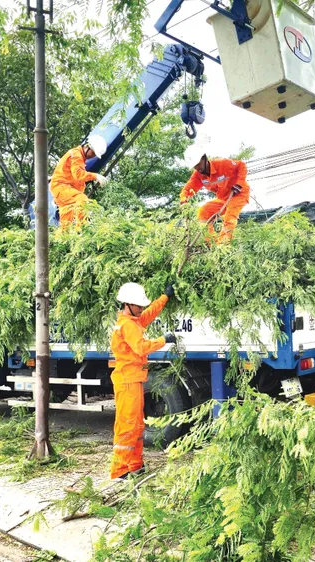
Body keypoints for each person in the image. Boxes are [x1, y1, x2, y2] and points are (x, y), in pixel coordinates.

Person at [109, 282, 176, 480]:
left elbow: (148, 315)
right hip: (127, 380)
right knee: (128, 425)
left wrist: (164, 297)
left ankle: (135, 465)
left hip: (133, 379)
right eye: (138, 305)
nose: (141, 308)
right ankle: (120, 470)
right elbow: (141, 347)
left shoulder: (133, 320)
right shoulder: (127, 325)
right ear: (128, 304)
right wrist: (163, 340)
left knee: (137, 424)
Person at [179, 154, 250, 242]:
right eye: (195, 166)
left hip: (239, 194)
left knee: (230, 216)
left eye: (198, 164)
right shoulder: (198, 175)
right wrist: (184, 199)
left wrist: (239, 183)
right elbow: (189, 187)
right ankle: (210, 243)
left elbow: (241, 165)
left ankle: (224, 244)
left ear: (204, 159)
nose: (197, 168)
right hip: (223, 198)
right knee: (204, 211)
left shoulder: (221, 164)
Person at [50, 136, 108, 226]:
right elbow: (78, 174)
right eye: (93, 153)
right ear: (87, 147)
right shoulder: (76, 155)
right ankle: (82, 229)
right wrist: (95, 176)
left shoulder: (79, 157)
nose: (93, 156)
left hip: (62, 189)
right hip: (61, 187)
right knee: (82, 200)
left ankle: (61, 239)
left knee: (66, 224)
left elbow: (76, 181)